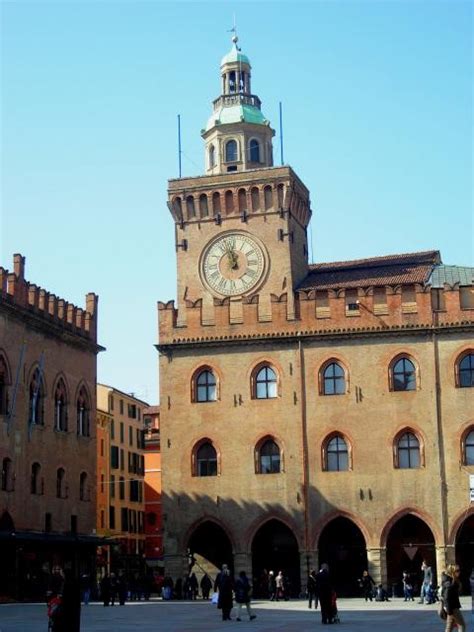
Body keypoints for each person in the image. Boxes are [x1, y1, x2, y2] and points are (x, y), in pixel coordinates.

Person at [444, 565, 465, 632]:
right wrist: (449, 611)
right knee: (462, 625)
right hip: (453, 608)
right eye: (457, 571)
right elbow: (447, 597)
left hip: (452, 607)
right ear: (452, 572)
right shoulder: (450, 583)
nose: (459, 572)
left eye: (459, 570)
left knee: (449, 627)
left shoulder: (454, 580)